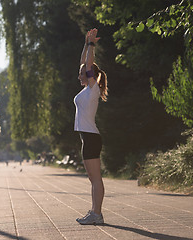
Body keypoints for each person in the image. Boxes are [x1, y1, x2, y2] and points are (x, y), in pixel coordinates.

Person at [74, 28, 108, 225]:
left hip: (91, 138)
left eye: (82, 74)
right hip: (87, 138)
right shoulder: (87, 90)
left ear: (89, 75)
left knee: (96, 179)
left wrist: (92, 44)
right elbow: (83, 62)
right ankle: (95, 212)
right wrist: (86, 43)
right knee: (93, 178)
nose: (79, 76)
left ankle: (97, 214)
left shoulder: (93, 89)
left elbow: (87, 64)